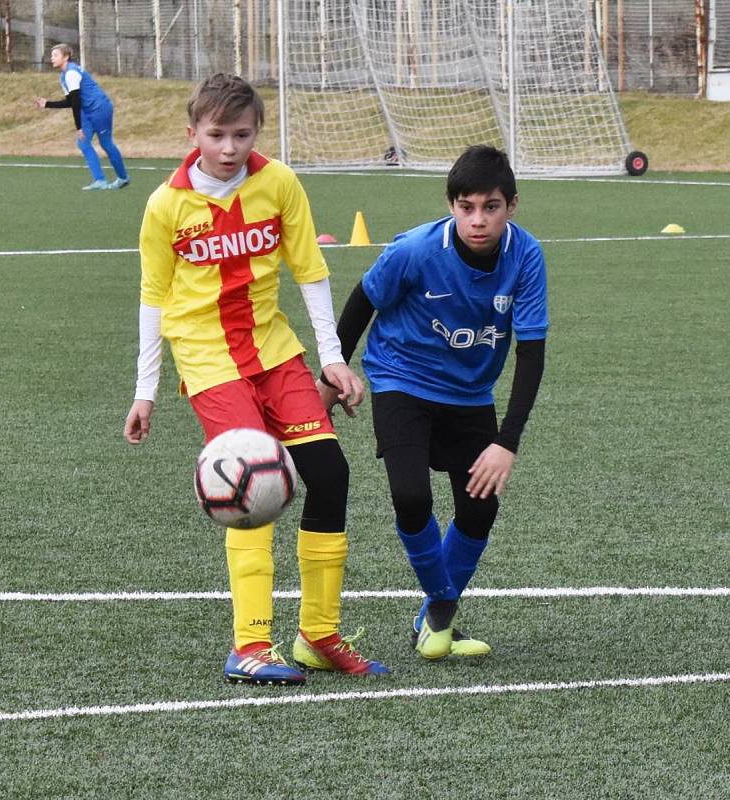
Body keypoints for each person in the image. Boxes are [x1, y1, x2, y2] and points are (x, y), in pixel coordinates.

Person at [123, 73, 389, 686]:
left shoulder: (279, 184)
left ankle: (317, 636)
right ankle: (250, 644)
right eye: (216, 135)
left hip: (275, 352)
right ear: (192, 134)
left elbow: (311, 270)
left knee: (330, 473)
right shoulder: (167, 204)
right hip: (208, 360)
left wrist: (331, 357)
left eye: (241, 134)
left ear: (256, 133)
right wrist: (146, 390)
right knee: (249, 487)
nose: (228, 148)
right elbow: (152, 298)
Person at [320, 145, 548, 661]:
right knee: (411, 497)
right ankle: (444, 605)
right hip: (401, 377)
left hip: (470, 392)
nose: (478, 220)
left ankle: (432, 619)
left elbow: (532, 355)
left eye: (491, 207)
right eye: (466, 207)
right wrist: (330, 376)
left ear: (512, 205)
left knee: (480, 508)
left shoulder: (527, 256)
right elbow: (362, 302)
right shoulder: (416, 250)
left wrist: (505, 443)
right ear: (451, 206)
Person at [36, 43, 129, 191]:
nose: (51, 58)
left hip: (100, 108)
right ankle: (100, 181)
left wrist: (78, 127)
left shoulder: (71, 73)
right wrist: (47, 104)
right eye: (51, 55)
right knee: (83, 143)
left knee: (106, 144)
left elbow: (76, 102)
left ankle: (123, 178)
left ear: (66, 57)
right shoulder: (63, 75)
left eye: (55, 55)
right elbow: (70, 101)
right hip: (87, 111)